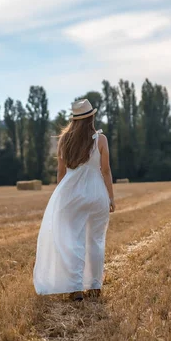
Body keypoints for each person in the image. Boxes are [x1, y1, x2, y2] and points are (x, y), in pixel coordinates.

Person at [33, 99, 115, 301]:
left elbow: (61, 174)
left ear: (74, 119)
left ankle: (76, 288)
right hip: (96, 193)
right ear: (91, 117)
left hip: (72, 194)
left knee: (73, 240)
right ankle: (95, 287)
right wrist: (111, 197)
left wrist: (62, 197)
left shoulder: (64, 141)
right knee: (95, 241)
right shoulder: (101, 139)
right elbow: (105, 171)